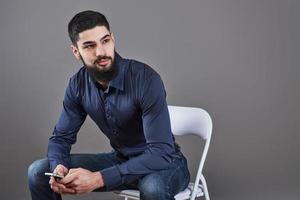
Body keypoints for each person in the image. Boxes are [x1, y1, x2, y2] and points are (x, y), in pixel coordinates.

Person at [28, 10, 190, 200]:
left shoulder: (145, 79)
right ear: (76, 51)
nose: (101, 52)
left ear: (112, 39)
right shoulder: (78, 84)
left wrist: (98, 178)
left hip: (165, 164)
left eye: (105, 41)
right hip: (122, 159)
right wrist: (59, 166)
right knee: (38, 172)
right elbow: (61, 138)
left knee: (152, 187)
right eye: (89, 46)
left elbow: (161, 153)